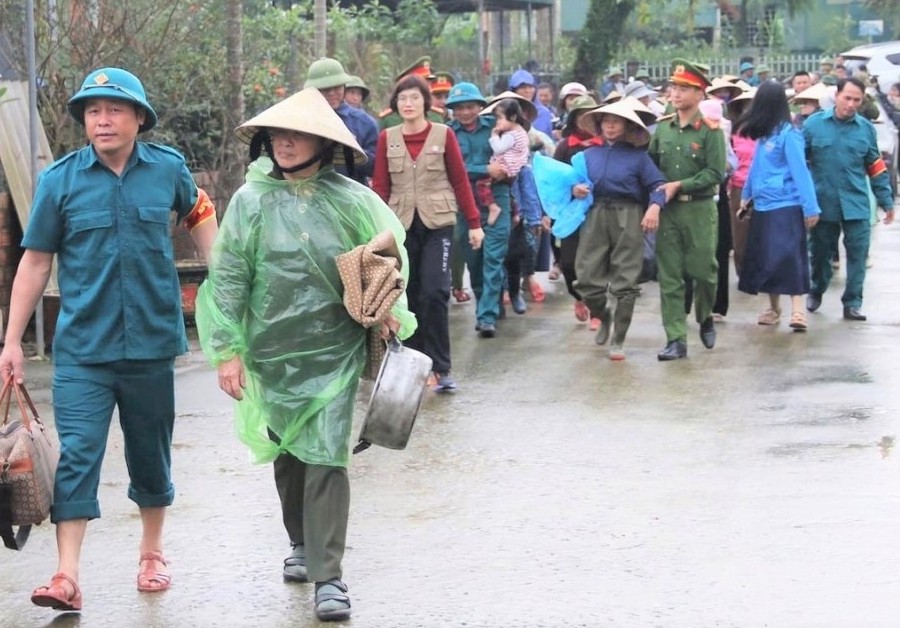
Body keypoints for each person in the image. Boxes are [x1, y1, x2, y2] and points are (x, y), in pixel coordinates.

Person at [0, 67, 218, 612]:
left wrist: (223, 279)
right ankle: (67, 575)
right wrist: (10, 343)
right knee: (76, 455)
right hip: (82, 350)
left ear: (138, 118)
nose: (103, 118)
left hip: (150, 344)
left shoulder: (167, 169)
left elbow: (201, 213)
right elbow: (34, 262)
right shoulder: (60, 180)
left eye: (115, 109)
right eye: (93, 110)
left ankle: (151, 553)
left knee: (151, 453)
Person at [196, 87, 416, 622]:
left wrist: (387, 306)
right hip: (272, 352)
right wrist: (228, 350)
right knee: (290, 455)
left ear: (324, 142)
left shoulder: (351, 199)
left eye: (298, 134)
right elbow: (227, 280)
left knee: (326, 457)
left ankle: (329, 575)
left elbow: (391, 261)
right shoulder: (249, 203)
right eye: (278, 133)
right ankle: (300, 541)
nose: (286, 142)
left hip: (335, 350)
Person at [372, 75, 484, 388]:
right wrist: (373, 230)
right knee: (409, 294)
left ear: (426, 103)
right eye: (402, 99)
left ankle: (442, 367)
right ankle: (417, 366)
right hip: (401, 226)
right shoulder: (387, 138)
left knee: (435, 291)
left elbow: (460, 181)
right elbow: (380, 186)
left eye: (414, 98)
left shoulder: (443, 134)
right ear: (396, 105)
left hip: (439, 224)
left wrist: (474, 224)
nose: (408, 104)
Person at [571, 101, 667, 360]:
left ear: (627, 126)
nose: (611, 125)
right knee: (586, 279)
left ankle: (619, 338)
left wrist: (654, 207)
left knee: (626, 281)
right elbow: (570, 184)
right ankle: (604, 315)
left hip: (629, 215)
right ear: (600, 125)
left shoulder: (639, 158)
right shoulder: (587, 156)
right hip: (595, 216)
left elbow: (659, 185)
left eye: (617, 120)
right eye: (606, 120)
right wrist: (575, 190)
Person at [648, 58, 726, 361]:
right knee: (670, 277)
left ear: (700, 94)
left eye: (684, 88)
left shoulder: (710, 131)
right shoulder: (663, 129)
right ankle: (676, 339)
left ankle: (705, 315)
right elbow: (651, 166)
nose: (676, 94)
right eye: (674, 87)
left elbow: (715, 173)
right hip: (669, 211)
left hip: (700, 209)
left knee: (704, 271)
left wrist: (679, 185)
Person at [803, 77, 895, 321]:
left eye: (857, 100)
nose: (851, 104)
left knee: (858, 254)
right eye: (847, 98)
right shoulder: (813, 125)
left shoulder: (865, 128)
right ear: (837, 96)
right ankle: (817, 288)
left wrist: (886, 200)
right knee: (820, 254)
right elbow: (800, 165)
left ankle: (853, 302)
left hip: (856, 204)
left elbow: (875, 166)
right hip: (824, 202)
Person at [735, 81, 821, 330]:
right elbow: (755, 168)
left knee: (790, 256)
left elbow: (800, 171)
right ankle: (773, 309)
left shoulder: (789, 134)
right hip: (763, 205)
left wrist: (810, 206)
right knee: (766, 259)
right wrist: (746, 196)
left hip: (787, 204)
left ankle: (797, 311)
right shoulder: (765, 136)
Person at [446, 82, 512, 338]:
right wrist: (484, 169)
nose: (465, 112)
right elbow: (453, 169)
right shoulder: (448, 134)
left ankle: (485, 316)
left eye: (470, 106)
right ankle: (489, 303)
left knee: (494, 257)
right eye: (459, 108)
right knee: (474, 259)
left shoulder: (495, 128)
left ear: (479, 107)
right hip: (464, 204)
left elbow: (511, 157)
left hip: (498, 199)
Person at [551, 95, 603, 328]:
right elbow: (552, 179)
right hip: (571, 213)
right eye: (582, 116)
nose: (587, 121)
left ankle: (597, 309)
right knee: (569, 262)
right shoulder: (565, 147)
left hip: (599, 211)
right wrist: (572, 188)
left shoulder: (606, 144)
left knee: (597, 262)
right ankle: (578, 297)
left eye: (591, 116)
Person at [303, 58, 378, 185]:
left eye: (337, 87)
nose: (332, 93)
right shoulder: (300, 120)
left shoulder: (364, 123)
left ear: (344, 87)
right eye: (324, 89)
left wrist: (350, 149)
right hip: (308, 194)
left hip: (352, 197)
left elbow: (375, 168)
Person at [726, 88, 757, 279]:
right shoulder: (733, 134)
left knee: (764, 233)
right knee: (741, 234)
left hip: (764, 187)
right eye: (746, 107)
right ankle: (744, 274)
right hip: (739, 187)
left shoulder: (768, 132)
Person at [509, 68, 554, 136]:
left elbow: (539, 139)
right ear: (513, 90)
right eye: (522, 87)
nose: (527, 91)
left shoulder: (542, 112)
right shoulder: (506, 111)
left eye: (530, 87)